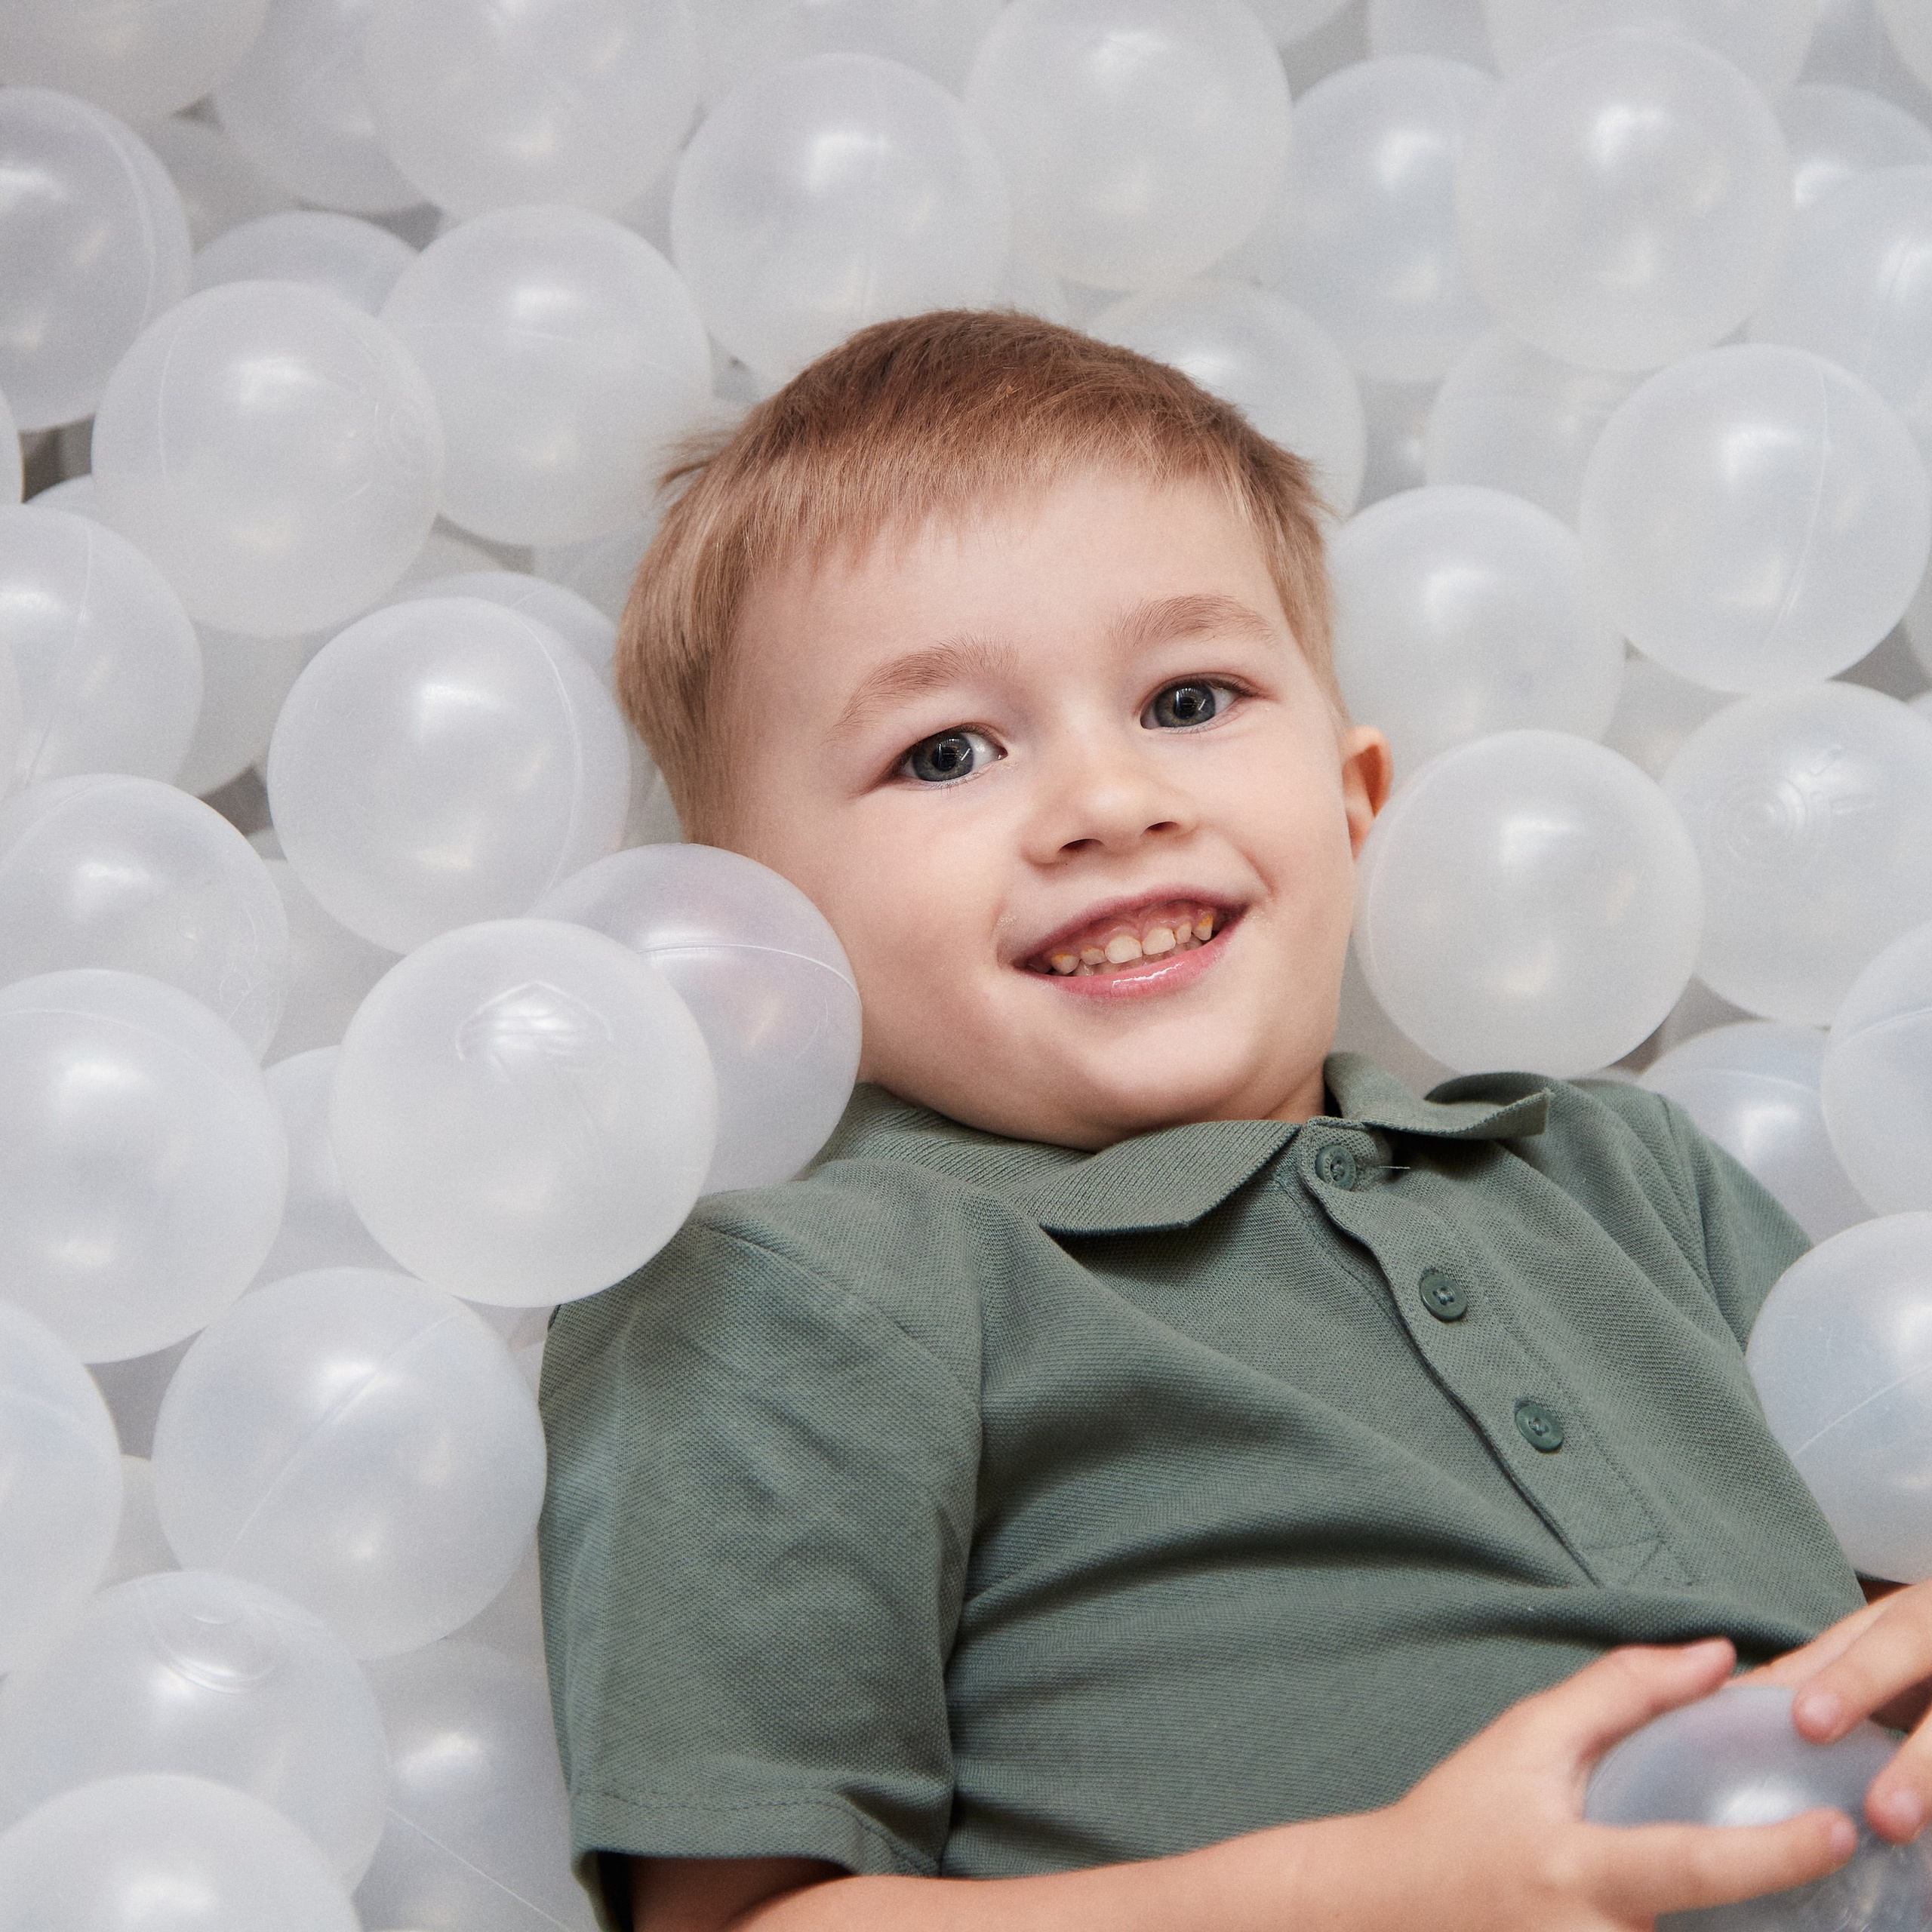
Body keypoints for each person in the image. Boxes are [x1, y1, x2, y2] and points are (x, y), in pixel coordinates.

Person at [537, 310, 1932, 1932]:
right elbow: (741, 1918)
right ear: (757, 932)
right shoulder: (791, 1285)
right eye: (946, 749)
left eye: (1188, 698)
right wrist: (1371, 1893)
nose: (1110, 803)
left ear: (1353, 801)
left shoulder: (1623, 1171)